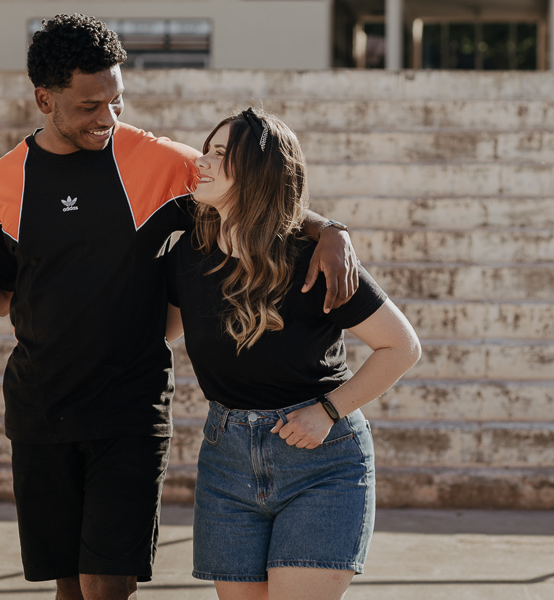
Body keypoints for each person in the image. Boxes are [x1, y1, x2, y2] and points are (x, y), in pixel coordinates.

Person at [0, 14, 360, 600]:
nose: (108, 117)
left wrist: (330, 230)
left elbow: (251, 194)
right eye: (89, 106)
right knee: (68, 587)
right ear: (44, 99)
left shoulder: (157, 162)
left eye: (116, 99)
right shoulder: (4, 180)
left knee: (107, 584)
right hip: (40, 406)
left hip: (130, 404)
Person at [165, 109, 422, 600]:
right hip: (226, 460)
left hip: (322, 463)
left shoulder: (316, 259)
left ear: (258, 172)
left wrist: (328, 411)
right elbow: (162, 332)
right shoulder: (188, 254)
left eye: (220, 154)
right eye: (206, 149)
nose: (201, 161)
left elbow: (401, 346)